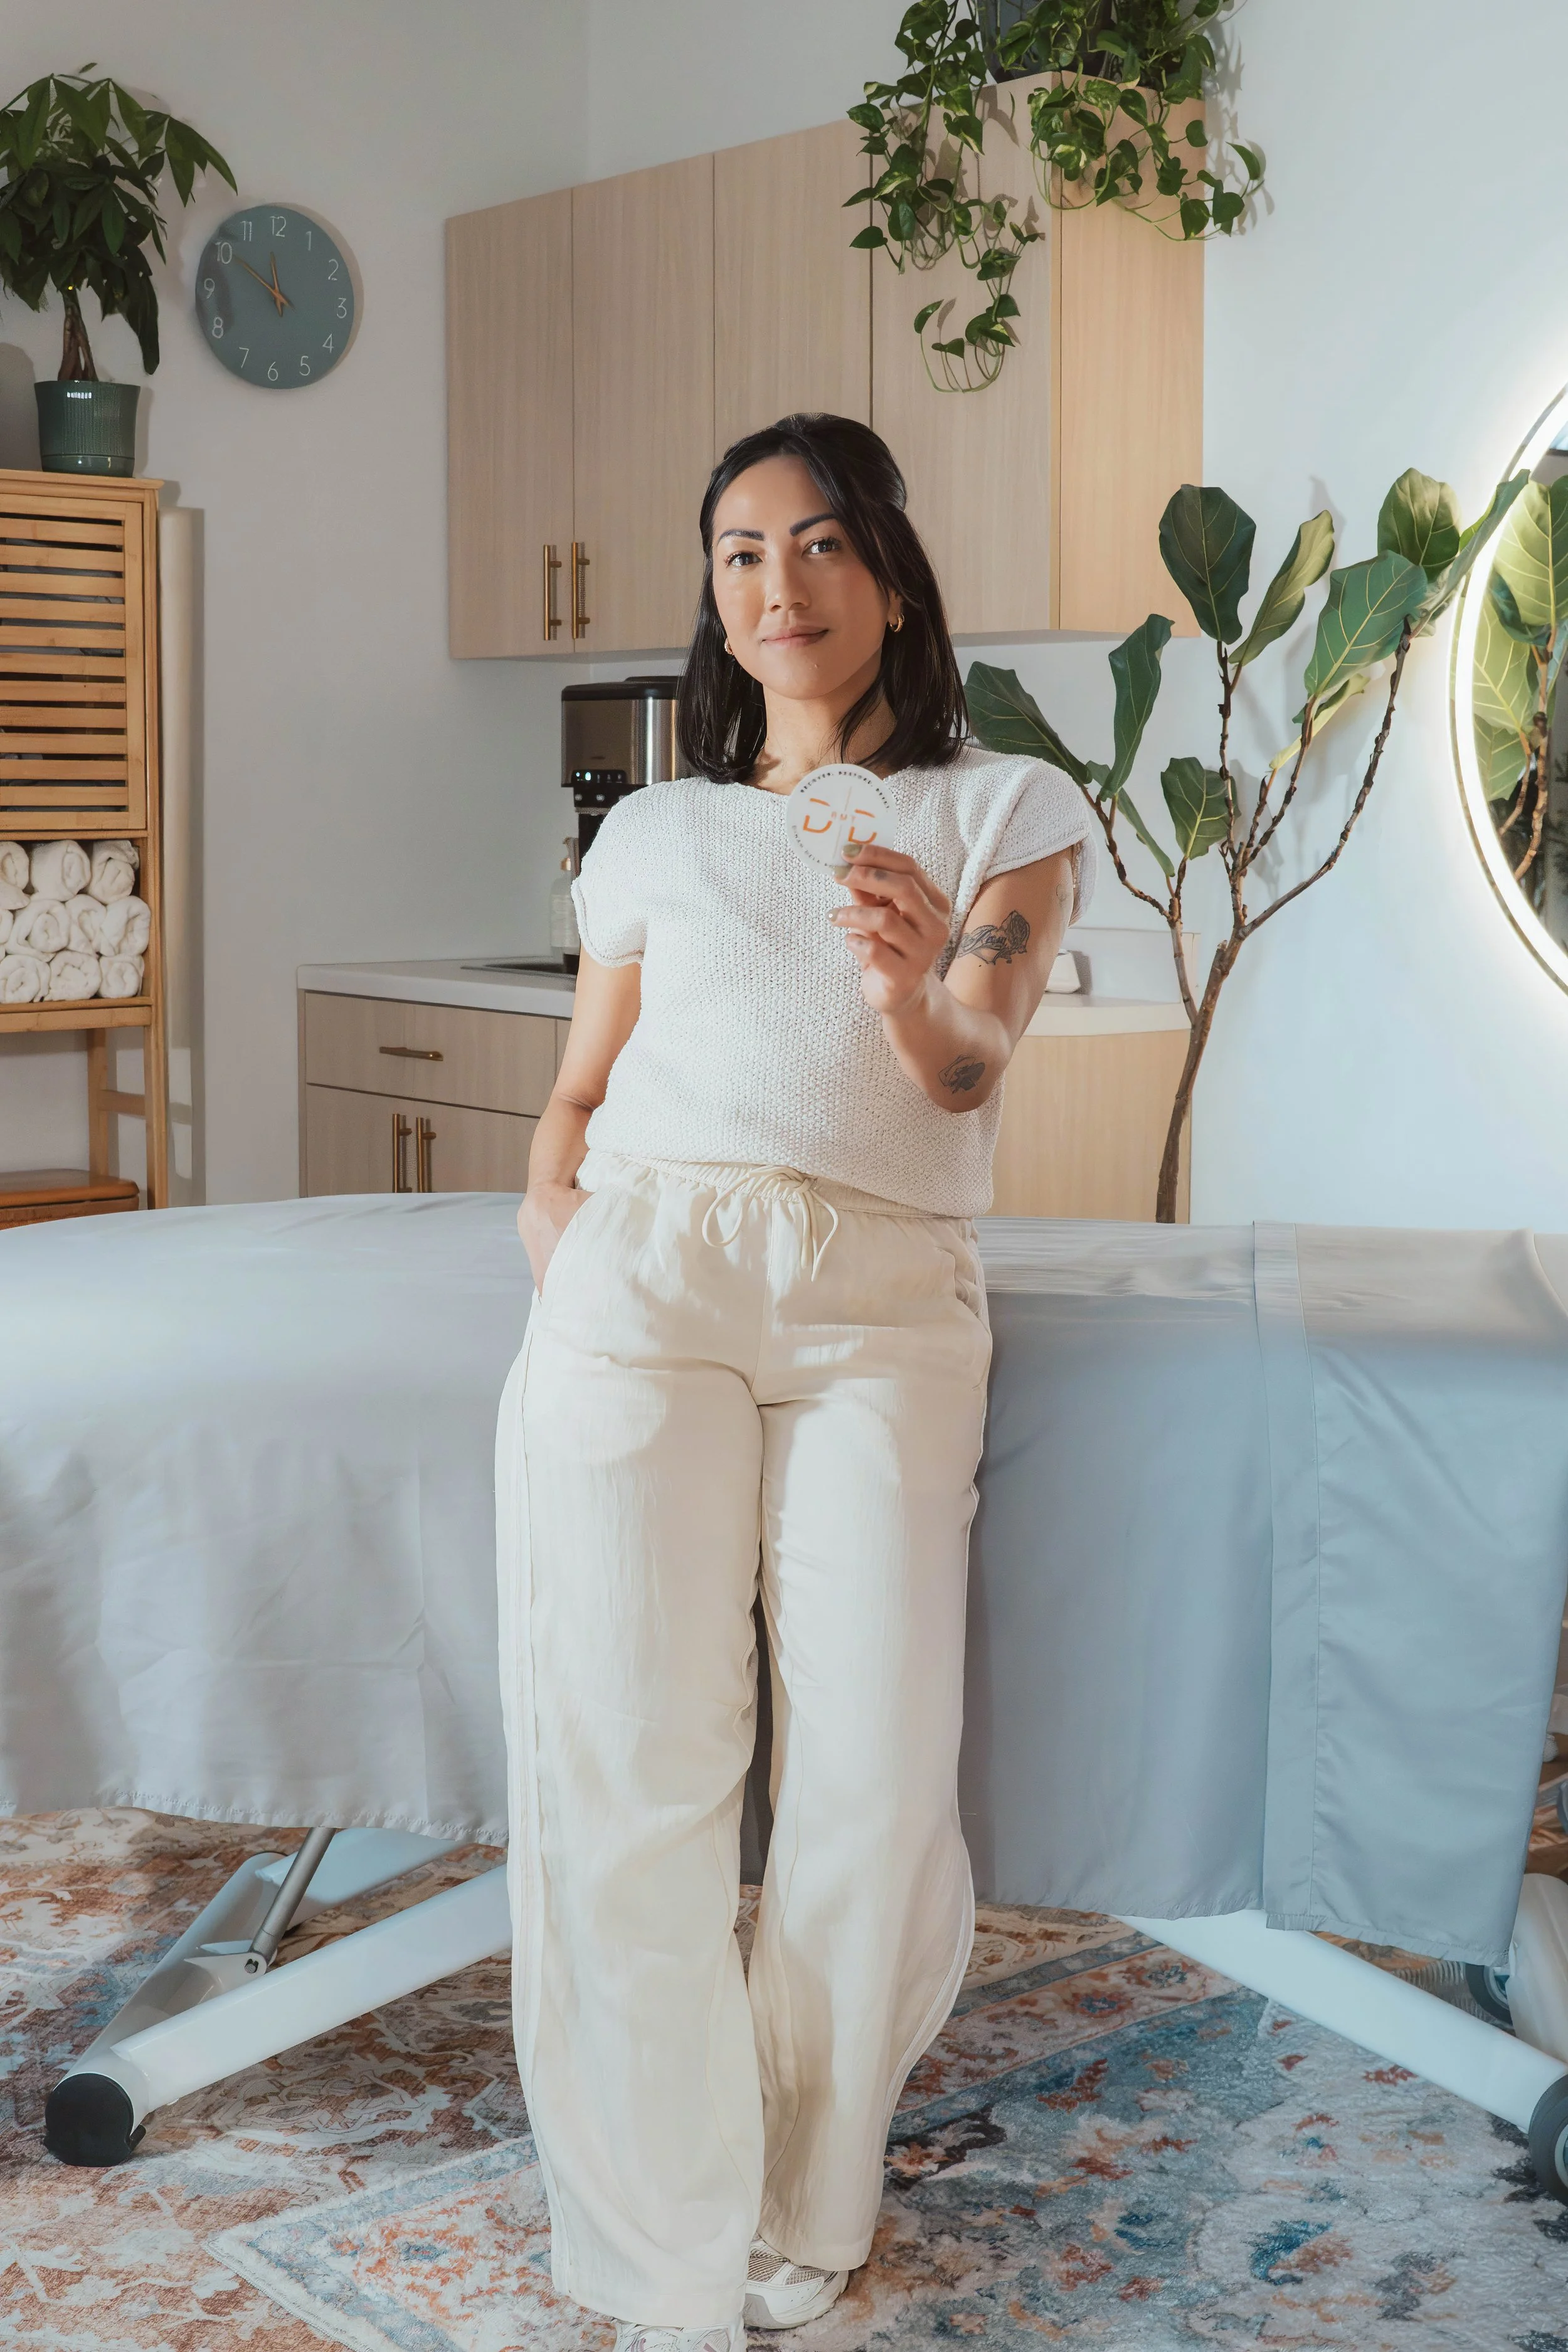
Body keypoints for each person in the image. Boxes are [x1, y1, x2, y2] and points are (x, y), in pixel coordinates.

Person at [497, 412, 1093, 2352]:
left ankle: (803, 2205)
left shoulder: (998, 805)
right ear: (714, 598)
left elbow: (967, 1068)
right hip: (647, 1275)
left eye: (821, 542)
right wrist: (552, 1213)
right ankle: (663, 2249)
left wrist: (920, 985)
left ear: (892, 578)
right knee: (631, 1761)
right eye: (741, 552)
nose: (779, 583)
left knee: (868, 1781)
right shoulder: (655, 828)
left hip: (881, 1303)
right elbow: (581, 1088)